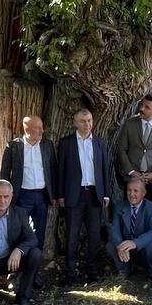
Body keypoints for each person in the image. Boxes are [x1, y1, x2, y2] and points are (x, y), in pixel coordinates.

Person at [56, 109, 116, 285]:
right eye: (83, 121)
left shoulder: (99, 142)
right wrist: (60, 194)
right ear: (75, 123)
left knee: (94, 235)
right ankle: (70, 273)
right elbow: (61, 171)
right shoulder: (66, 143)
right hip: (74, 195)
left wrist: (106, 194)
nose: (87, 124)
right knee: (72, 236)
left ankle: (92, 270)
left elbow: (105, 169)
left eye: (89, 120)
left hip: (95, 195)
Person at [0, 115, 57, 250]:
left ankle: (35, 266)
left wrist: (54, 194)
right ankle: (17, 266)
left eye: (41, 127)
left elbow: (53, 170)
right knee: (19, 232)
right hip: (22, 196)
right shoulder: (13, 146)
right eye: (38, 128)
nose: (42, 131)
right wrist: (6, 196)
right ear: (27, 129)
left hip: (42, 196)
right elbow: (5, 173)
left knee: (40, 233)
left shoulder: (47, 145)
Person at [113, 94, 152, 203]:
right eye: (142, 105)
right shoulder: (129, 124)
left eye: (147, 107)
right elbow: (121, 149)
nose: (141, 109)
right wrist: (131, 171)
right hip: (132, 178)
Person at [107, 179, 152, 283]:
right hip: (126, 246)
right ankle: (124, 270)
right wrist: (120, 246)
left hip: (142, 244)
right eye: (129, 190)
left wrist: (135, 243)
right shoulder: (119, 207)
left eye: (135, 191)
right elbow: (115, 229)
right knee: (110, 245)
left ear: (143, 193)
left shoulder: (151, 207)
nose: (131, 194)